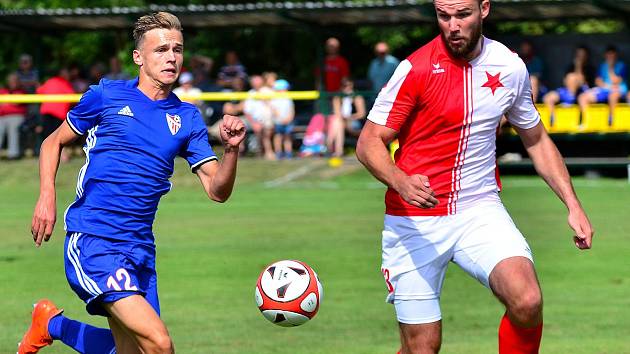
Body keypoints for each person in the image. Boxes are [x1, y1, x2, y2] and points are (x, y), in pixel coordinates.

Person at [355, 1, 594, 353]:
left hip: (479, 210)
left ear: (484, 9)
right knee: (422, 348)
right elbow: (369, 142)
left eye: (462, 14)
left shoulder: (509, 67)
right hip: (414, 223)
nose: (452, 25)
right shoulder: (415, 68)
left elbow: (537, 139)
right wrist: (400, 180)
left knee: (527, 300)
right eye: (443, 15)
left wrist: (573, 205)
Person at [18, 11, 245, 354]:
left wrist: (230, 150)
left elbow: (218, 191)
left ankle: (50, 324)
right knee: (158, 343)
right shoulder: (107, 96)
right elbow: (52, 142)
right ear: (138, 57)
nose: (171, 56)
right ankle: (50, 323)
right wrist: (46, 197)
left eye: (178, 49)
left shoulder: (187, 118)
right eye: (161, 49)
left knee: (136, 350)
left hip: (140, 249)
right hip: (95, 240)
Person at [577, 45, 627, 121]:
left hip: (619, 90)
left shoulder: (622, 66)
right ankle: (587, 121)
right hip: (605, 89)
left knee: (613, 95)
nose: (610, 57)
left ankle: (611, 120)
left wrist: (610, 68)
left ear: (616, 55)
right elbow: (598, 81)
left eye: (612, 54)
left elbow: (616, 81)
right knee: (583, 97)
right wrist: (607, 87)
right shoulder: (602, 66)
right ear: (605, 55)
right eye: (608, 54)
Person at [543, 45, 595, 118]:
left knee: (573, 77)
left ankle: (570, 101)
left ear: (586, 56)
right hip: (567, 91)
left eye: (582, 55)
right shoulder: (570, 67)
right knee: (548, 97)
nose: (580, 57)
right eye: (578, 55)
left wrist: (578, 67)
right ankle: (553, 120)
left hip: (581, 92)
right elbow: (565, 81)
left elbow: (582, 82)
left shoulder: (590, 68)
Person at [36, 67, 75, 161]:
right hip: (58, 114)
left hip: (47, 112)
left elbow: (39, 91)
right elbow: (73, 98)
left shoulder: (50, 81)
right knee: (59, 137)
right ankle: (63, 156)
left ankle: (55, 156)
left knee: (50, 136)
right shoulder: (65, 84)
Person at [328, 78, 366, 157]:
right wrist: (344, 118)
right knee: (338, 122)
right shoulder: (338, 97)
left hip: (354, 121)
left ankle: (329, 144)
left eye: (349, 86)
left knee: (337, 122)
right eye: (345, 86)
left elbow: (361, 114)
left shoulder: (357, 96)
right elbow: (337, 112)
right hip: (342, 121)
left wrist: (349, 118)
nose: (347, 88)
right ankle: (338, 151)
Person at [243, 74, 275, 160]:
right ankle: (264, 151)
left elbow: (275, 107)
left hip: (270, 119)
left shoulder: (268, 91)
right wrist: (254, 123)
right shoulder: (250, 93)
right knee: (261, 130)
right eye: (254, 81)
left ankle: (267, 151)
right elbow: (247, 111)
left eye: (258, 81)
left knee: (267, 130)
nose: (256, 83)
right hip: (255, 120)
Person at [0, 73, 27, 159]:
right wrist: (10, 102)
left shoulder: (22, 91)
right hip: (2, 116)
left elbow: (16, 102)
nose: (13, 83)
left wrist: (6, 102)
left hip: (17, 116)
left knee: (13, 128)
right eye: (11, 81)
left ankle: (13, 155)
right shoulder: (3, 90)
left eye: (15, 81)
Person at [270, 79, 295, 159]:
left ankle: (288, 153)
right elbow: (274, 110)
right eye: (285, 89)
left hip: (288, 121)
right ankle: (278, 153)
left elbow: (291, 109)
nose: (286, 90)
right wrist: (281, 119)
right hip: (278, 121)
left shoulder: (288, 98)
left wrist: (290, 118)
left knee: (288, 137)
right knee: (278, 137)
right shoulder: (275, 99)